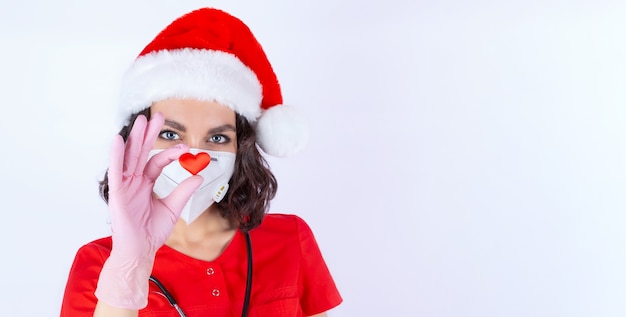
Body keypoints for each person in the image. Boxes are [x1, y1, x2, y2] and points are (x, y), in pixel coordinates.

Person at [60, 7, 342, 317]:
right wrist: (129, 264)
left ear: (242, 149)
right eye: (169, 134)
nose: (194, 154)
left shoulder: (291, 239)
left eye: (218, 138)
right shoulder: (98, 262)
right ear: (137, 140)